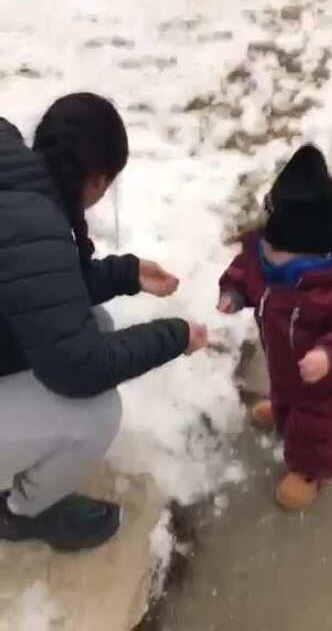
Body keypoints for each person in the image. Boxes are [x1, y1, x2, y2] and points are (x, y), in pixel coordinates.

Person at [0, 93, 208, 551]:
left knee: (95, 321)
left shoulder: (13, 172)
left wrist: (125, 273)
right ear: (96, 180)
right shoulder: (32, 220)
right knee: (95, 413)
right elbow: (81, 368)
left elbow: (34, 279)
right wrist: (175, 336)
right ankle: (21, 512)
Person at [218, 144, 332, 511]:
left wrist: (331, 356)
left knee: (317, 430)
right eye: (267, 249)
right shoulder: (273, 254)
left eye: (277, 255)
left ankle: (309, 471)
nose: (267, 258)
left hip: (329, 386)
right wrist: (235, 291)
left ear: (320, 255)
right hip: (286, 362)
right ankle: (285, 411)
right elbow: (249, 267)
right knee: (286, 392)